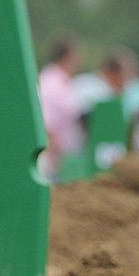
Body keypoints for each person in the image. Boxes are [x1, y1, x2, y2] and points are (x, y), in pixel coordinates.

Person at [38, 38, 83, 179]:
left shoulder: (64, 82)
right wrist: (53, 150)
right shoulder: (51, 83)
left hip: (62, 156)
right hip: (51, 157)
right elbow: (46, 120)